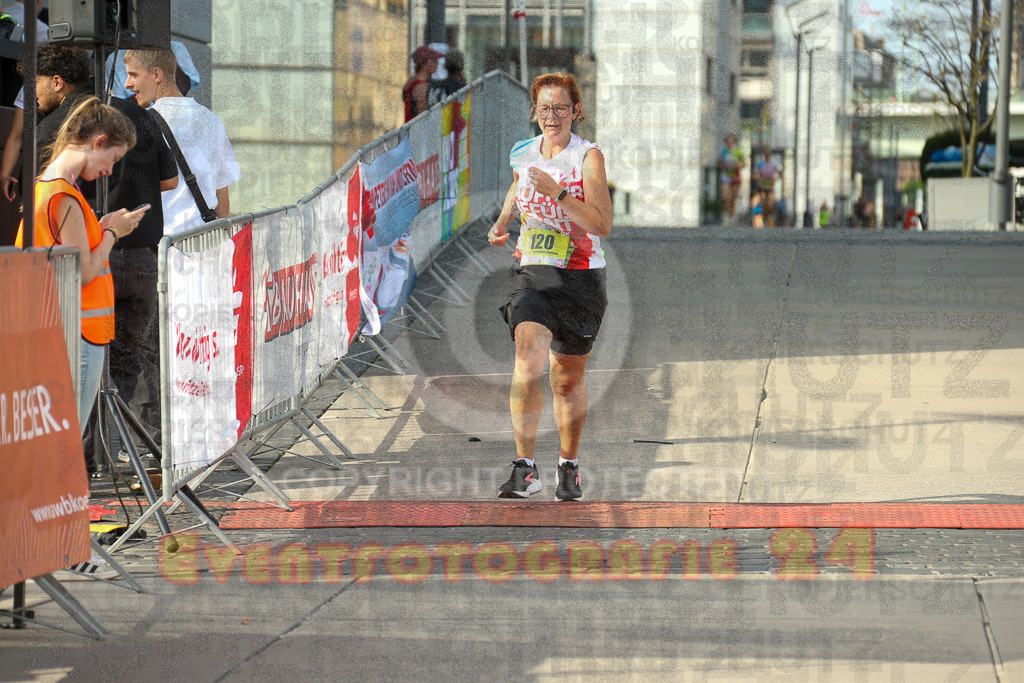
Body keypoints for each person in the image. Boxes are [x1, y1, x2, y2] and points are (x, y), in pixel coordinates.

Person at [487, 72, 613, 501]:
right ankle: (525, 469)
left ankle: (568, 466)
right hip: (532, 271)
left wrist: (559, 195)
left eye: (560, 108)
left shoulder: (587, 157)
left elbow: (602, 224)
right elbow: (518, 186)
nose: (552, 116)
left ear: (576, 111)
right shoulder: (524, 152)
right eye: (544, 109)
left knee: (566, 382)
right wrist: (503, 222)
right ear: (534, 113)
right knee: (527, 362)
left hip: (580, 279)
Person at [16, 97, 148, 431]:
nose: (110, 170)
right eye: (113, 158)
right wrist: (113, 233)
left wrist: (102, 229)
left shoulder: (52, 188)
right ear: (98, 141)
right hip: (78, 334)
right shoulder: (64, 196)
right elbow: (85, 272)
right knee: (68, 433)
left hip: (64, 330)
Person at [123, 48, 241, 234]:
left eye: (133, 74)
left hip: (166, 246)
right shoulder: (211, 119)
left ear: (156, 74)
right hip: (209, 239)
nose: (127, 84)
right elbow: (222, 193)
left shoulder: (143, 124)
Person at [402, 45, 441, 122]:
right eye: (434, 61)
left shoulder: (411, 80)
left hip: (410, 129)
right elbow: (422, 115)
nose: (437, 64)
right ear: (424, 63)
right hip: (417, 131)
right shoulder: (421, 85)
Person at [717, 133, 743, 224]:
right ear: (726, 142)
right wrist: (723, 165)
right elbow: (718, 163)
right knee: (724, 197)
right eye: (728, 141)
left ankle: (732, 217)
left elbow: (743, 163)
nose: (729, 142)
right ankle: (724, 214)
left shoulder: (738, 151)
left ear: (734, 141)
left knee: (733, 198)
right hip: (726, 177)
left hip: (735, 176)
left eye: (731, 140)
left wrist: (739, 165)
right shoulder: (723, 151)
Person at [751, 147, 778, 226]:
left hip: (770, 186)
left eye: (768, 154)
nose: (767, 155)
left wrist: (774, 179)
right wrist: (759, 178)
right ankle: (764, 217)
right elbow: (754, 174)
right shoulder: (760, 163)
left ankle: (769, 215)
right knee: (763, 202)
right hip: (762, 186)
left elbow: (780, 174)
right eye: (766, 154)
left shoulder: (774, 163)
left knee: (770, 203)